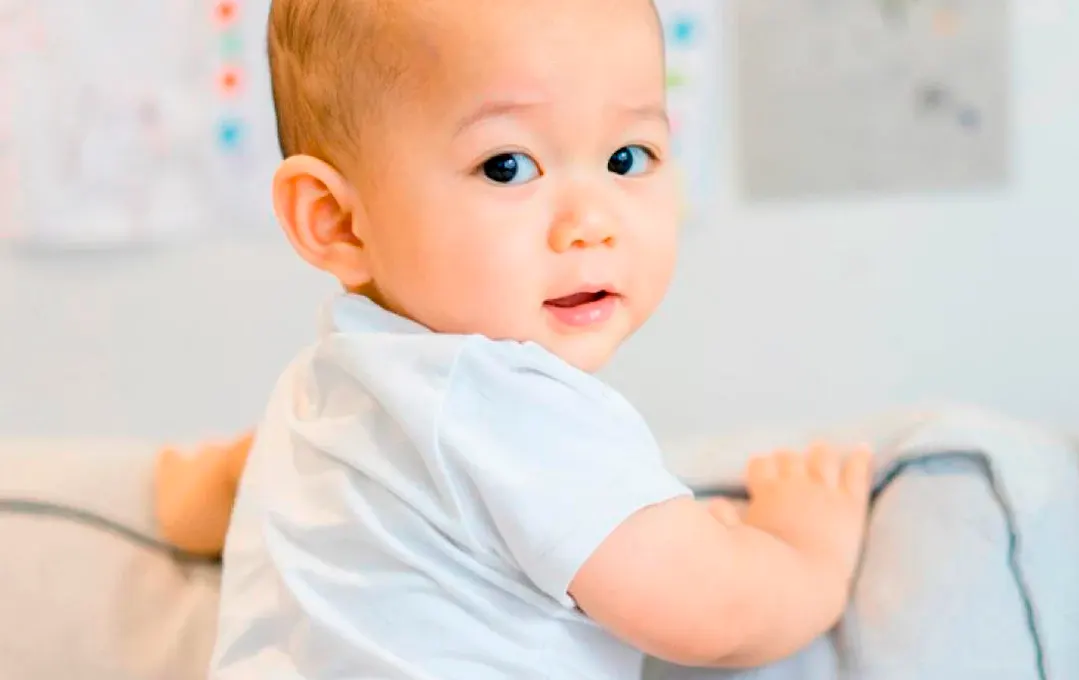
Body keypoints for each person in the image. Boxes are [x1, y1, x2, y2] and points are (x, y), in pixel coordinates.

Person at [197, 0, 875, 677]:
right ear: (337, 221)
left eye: (627, 157)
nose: (591, 222)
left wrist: (181, 502)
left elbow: (223, 489)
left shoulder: (318, 393)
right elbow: (716, 611)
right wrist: (807, 546)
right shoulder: (511, 406)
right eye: (508, 166)